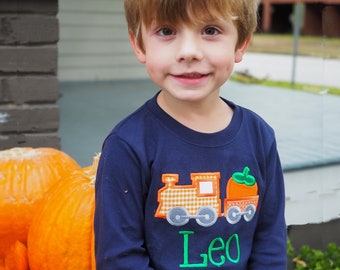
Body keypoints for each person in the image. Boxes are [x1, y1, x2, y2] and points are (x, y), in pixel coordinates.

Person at [94, 0, 287, 269]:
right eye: (166, 31)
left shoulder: (260, 137)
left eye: (210, 30)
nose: (188, 52)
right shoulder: (127, 146)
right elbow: (120, 257)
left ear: (240, 44)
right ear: (139, 45)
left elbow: (269, 243)